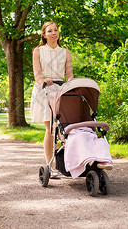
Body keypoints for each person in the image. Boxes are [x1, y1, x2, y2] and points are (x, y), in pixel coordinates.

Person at [31, 22, 73, 176]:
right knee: (50, 129)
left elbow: (69, 74)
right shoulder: (38, 51)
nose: (54, 33)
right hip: (44, 91)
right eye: (50, 31)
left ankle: (68, 163)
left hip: (61, 90)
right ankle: (50, 166)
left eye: (56, 30)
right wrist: (43, 81)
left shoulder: (65, 52)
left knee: (64, 128)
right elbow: (37, 74)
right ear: (44, 34)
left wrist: (71, 84)